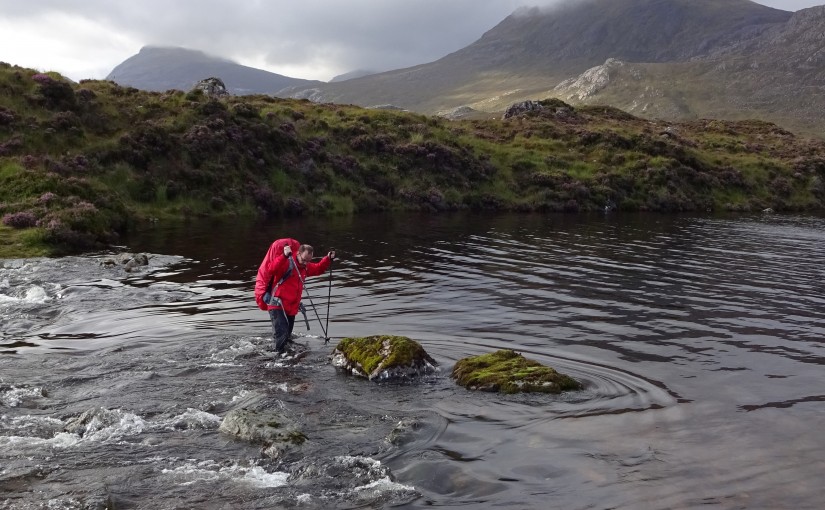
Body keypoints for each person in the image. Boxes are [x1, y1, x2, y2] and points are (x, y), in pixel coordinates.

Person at [255, 238, 335, 354]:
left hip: (291, 307)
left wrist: (328, 259)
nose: (306, 263)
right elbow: (272, 268)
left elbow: (318, 269)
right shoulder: (286, 263)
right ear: (298, 253)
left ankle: (284, 356)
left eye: (308, 261)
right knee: (282, 332)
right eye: (304, 260)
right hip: (277, 304)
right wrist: (284, 256)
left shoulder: (305, 267)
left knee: (287, 335)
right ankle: (278, 359)